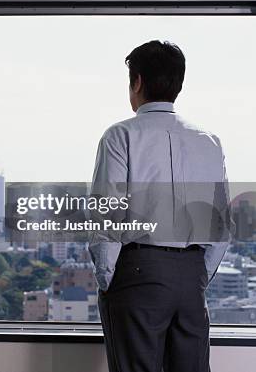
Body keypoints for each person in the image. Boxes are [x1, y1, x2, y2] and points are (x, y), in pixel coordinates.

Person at [88, 40, 230, 372]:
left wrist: (109, 279)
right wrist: (196, 275)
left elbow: (107, 216)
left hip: (138, 272)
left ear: (136, 82)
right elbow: (221, 227)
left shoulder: (121, 135)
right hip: (191, 276)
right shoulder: (208, 140)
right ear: (178, 83)